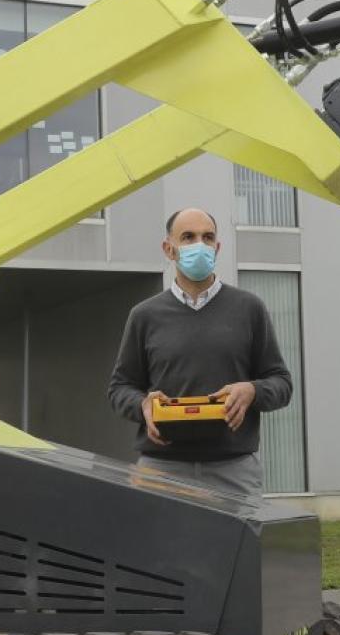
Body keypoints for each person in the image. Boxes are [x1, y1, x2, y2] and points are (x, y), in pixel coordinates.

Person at [107, 207, 292, 498]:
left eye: (207, 238)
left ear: (217, 248)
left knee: (236, 546)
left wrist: (252, 390)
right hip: (160, 471)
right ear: (169, 249)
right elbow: (120, 388)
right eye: (188, 237)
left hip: (234, 472)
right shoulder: (144, 315)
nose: (200, 245)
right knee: (159, 546)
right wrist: (143, 405)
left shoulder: (249, 309)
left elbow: (281, 383)